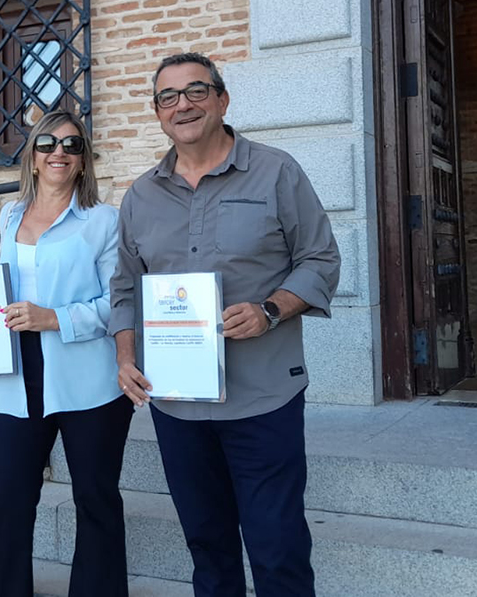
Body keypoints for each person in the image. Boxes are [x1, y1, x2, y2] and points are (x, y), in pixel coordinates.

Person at [109, 52, 341, 597]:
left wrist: (270, 310)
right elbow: (125, 288)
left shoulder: (276, 170)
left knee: (277, 544)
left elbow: (321, 259)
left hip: (262, 396)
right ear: (157, 112)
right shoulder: (141, 195)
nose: (182, 105)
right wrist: (124, 357)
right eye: (168, 97)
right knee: (206, 545)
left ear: (221, 99)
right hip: (176, 403)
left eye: (195, 91)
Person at [0, 110, 132, 597]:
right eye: (47, 143)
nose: (58, 152)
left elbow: (119, 301)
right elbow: (2, 292)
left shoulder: (103, 221)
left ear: (84, 160)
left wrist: (55, 318)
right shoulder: (9, 214)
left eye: (71, 144)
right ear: (33, 155)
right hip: (15, 377)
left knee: (95, 499)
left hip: (87, 379)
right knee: (5, 500)